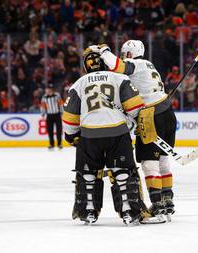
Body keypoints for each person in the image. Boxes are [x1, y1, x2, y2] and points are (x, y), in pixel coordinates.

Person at [62, 48, 152, 225]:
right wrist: (138, 125)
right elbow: (136, 109)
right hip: (117, 132)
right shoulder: (120, 78)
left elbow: (70, 118)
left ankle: (87, 210)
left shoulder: (79, 83)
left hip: (89, 134)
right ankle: (129, 211)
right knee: (123, 172)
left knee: (88, 173)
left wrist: (72, 136)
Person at [90, 40, 177, 217]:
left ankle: (158, 203)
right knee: (163, 159)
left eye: (124, 53)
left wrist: (104, 50)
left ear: (129, 53)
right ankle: (167, 199)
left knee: (149, 163)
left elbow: (117, 66)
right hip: (168, 112)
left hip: (152, 116)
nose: (123, 56)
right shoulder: (149, 65)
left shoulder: (136, 64)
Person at [41, 84, 64, 150]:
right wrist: (43, 113)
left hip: (57, 115)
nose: (47, 90)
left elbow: (61, 104)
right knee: (50, 130)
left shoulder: (57, 95)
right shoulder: (44, 97)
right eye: (46, 89)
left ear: (51, 90)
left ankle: (59, 144)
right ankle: (51, 144)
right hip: (49, 115)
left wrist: (62, 112)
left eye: (48, 89)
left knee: (59, 130)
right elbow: (43, 106)